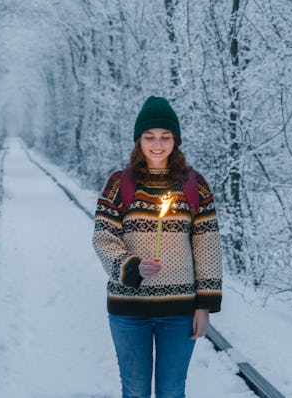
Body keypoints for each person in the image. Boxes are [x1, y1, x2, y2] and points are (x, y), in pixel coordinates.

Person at [93, 96, 223, 398]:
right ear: (139, 140)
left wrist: (204, 305)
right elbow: (103, 237)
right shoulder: (119, 184)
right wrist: (131, 266)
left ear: (175, 140)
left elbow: (207, 245)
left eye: (165, 137)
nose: (157, 144)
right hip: (129, 308)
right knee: (135, 391)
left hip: (179, 309)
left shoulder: (194, 185)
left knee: (172, 391)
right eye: (149, 137)